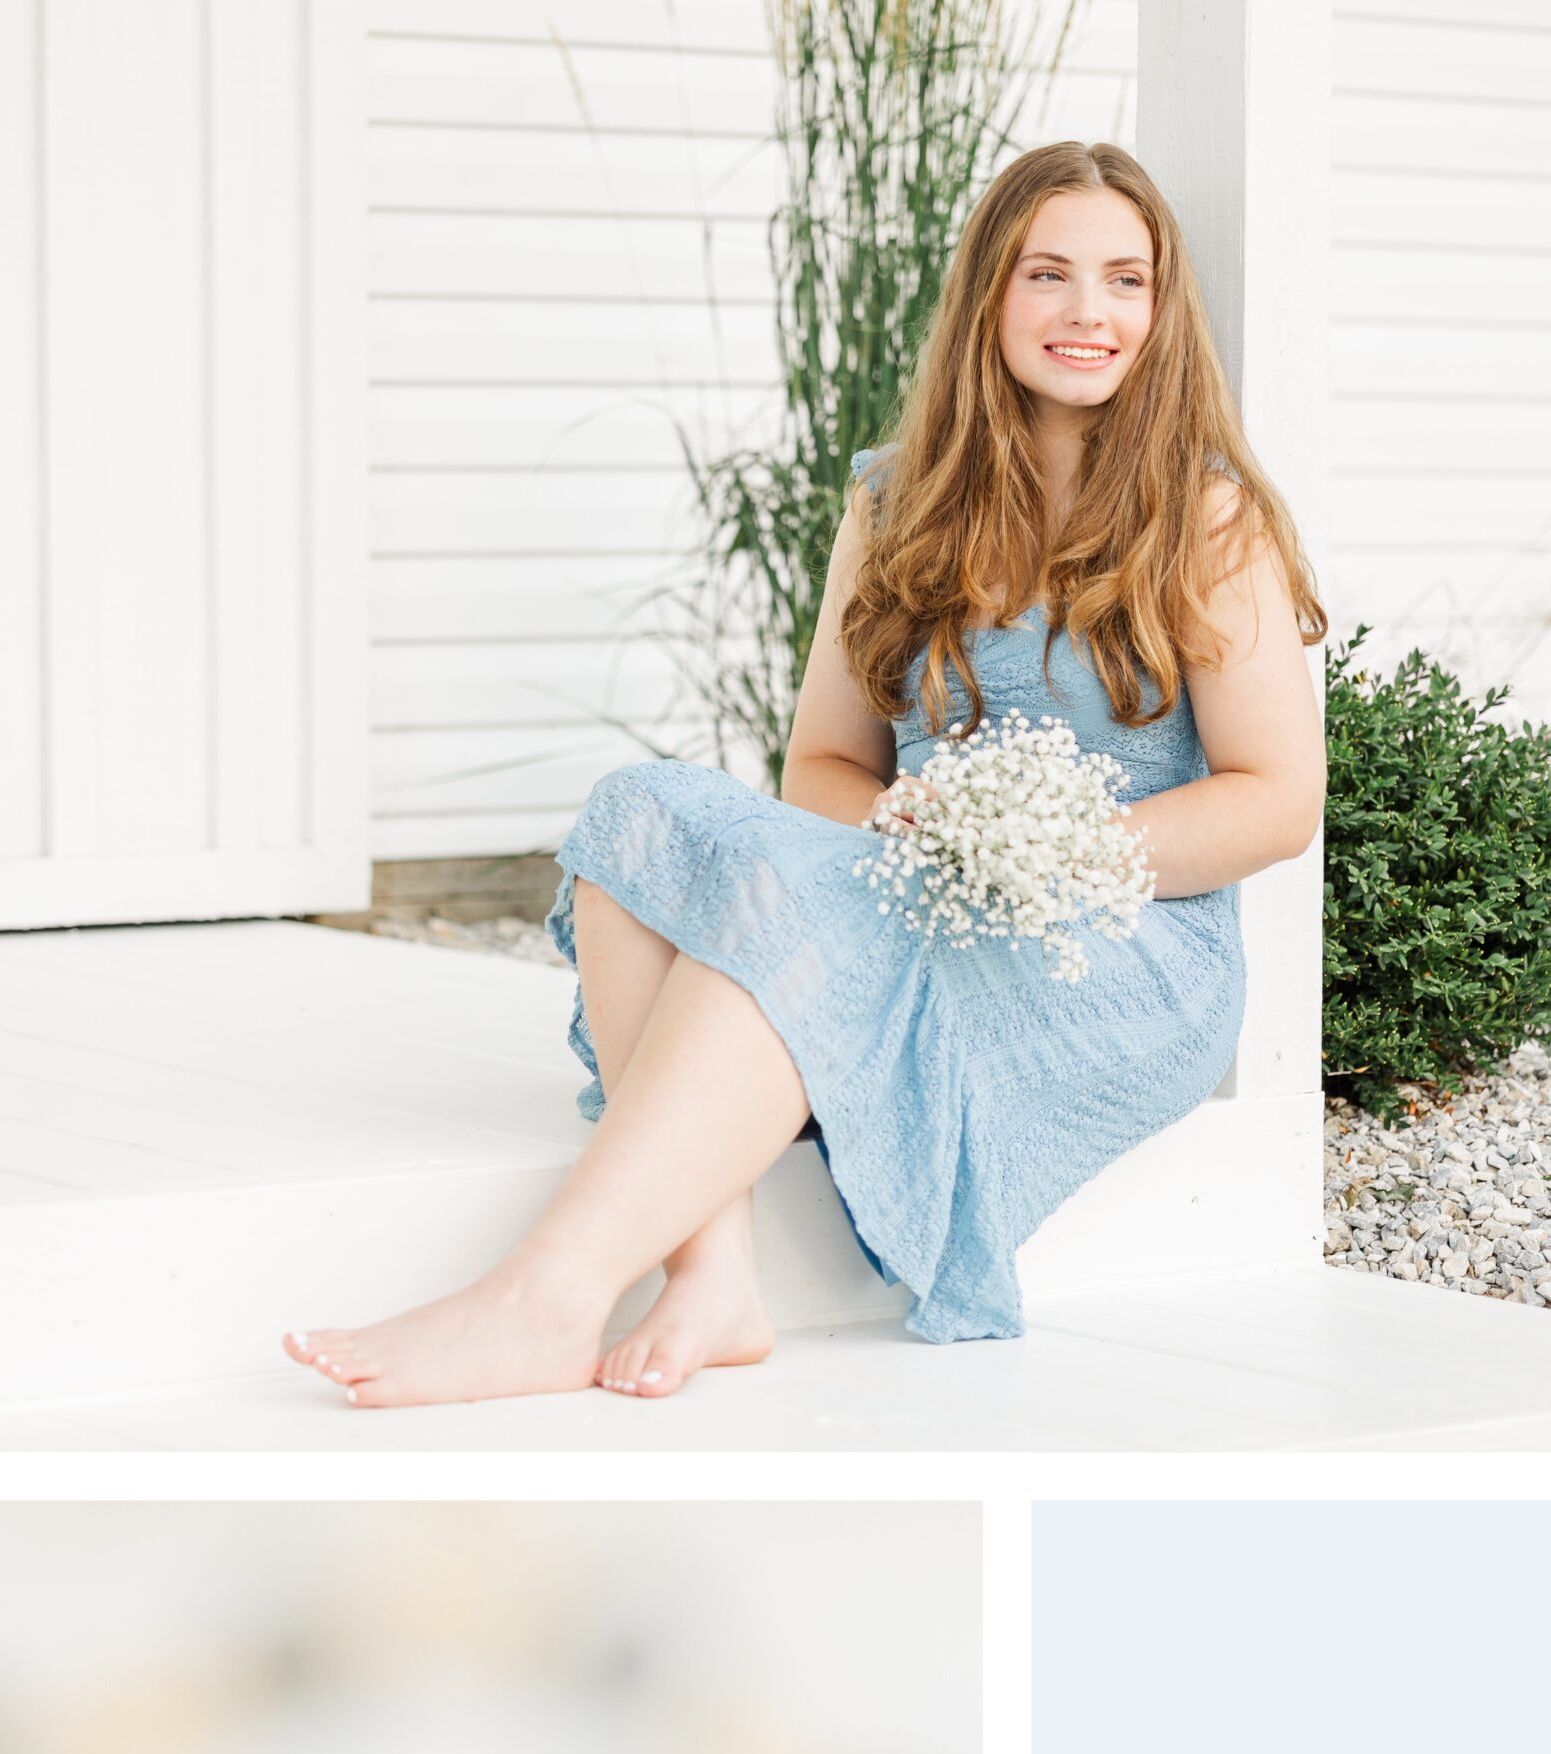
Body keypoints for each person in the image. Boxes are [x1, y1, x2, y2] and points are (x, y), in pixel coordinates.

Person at [287, 140, 1327, 1408]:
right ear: (990, 297)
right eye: (1047, 275)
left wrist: (1047, 851)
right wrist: (921, 831)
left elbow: (1277, 797)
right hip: (913, 879)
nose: (1086, 313)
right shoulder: (897, 504)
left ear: (1161, 315)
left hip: (1116, 945)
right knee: (638, 816)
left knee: (830, 906)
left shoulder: (1208, 521)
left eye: (1125, 281)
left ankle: (543, 1296)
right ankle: (711, 1271)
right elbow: (822, 765)